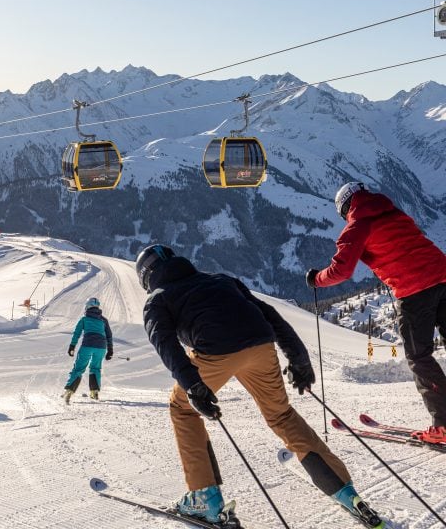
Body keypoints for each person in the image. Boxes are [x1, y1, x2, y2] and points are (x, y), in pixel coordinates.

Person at [136, 244, 385, 528]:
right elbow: (270, 315)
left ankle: (204, 497)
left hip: (214, 352)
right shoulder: (221, 280)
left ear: (146, 276)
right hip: (260, 346)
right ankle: (344, 491)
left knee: (183, 409)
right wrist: (298, 359)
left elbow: (165, 343)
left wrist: (193, 387)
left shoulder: (157, 299)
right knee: (281, 415)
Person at [306, 182, 446, 442]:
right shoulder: (394, 212)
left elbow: (342, 270)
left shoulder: (358, 226)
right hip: (443, 275)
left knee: (419, 356)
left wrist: (316, 279)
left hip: (415, 290)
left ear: (346, 207)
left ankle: (443, 426)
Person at [62, 297, 113, 404]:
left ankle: (69, 391)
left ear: (87, 307)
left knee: (79, 368)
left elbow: (77, 333)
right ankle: (94, 392)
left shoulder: (84, 319)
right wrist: (110, 350)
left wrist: (72, 346)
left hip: (88, 345)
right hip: (101, 347)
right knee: (95, 368)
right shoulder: (104, 320)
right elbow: (109, 335)